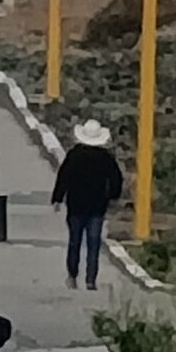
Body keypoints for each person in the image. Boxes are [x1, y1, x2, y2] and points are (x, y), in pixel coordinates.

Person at [51, 118, 124, 293]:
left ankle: (72, 275)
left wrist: (58, 198)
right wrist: (113, 197)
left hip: (76, 205)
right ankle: (91, 280)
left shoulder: (74, 155)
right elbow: (116, 179)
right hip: (97, 206)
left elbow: (64, 177)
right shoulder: (106, 158)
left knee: (74, 241)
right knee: (93, 243)